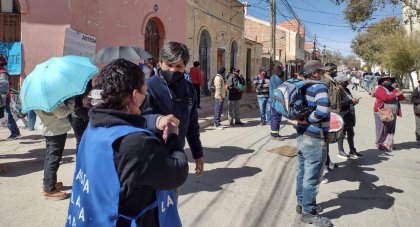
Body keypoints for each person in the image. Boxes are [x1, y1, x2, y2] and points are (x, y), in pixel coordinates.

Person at [66, 58, 188, 226]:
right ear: (135, 95)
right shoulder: (136, 143)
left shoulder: (94, 127)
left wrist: (156, 120)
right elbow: (177, 172)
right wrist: (172, 137)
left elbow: (125, 122)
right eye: (145, 92)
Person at [144, 42, 204, 176]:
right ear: (160, 63)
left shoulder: (189, 88)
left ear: (185, 66)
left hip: (176, 152)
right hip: (152, 155)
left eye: (178, 66)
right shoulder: (148, 86)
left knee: (172, 195)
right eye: (169, 65)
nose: (173, 70)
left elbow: (192, 124)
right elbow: (140, 119)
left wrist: (197, 154)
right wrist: (158, 120)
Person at [295, 60, 332, 226]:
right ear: (315, 73)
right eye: (321, 71)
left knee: (302, 172)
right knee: (312, 177)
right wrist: (309, 120)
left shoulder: (302, 86)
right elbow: (323, 109)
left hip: (302, 136)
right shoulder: (319, 87)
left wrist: (303, 121)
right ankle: (308, 212)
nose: (324, 74)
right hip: (315, 137)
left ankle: (302, 203)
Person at [35, 100, 74, 200]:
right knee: (53, 158)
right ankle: (49, 189)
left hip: (47, 127)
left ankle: (48, 182)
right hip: (55, 129)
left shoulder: (37, 96)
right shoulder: (52, 96)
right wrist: (71, 104)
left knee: (50, 157)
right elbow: (61, 113)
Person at [335, 73, 363, 159]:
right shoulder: (337, 91)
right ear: (340, 82)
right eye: (345, 81)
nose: (347, 82)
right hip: (342, 115)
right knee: (342, 134)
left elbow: (350, 100)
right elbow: (337, 104)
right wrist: (350, 101)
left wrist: (354, 101)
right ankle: (341, 150)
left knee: (351, 133)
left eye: (347, 81)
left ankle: (352, 150)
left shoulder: (346, 90)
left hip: (349, 114)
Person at [374, 75, 405, 151]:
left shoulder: (393, 89)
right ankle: (379, 144)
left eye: (389, 80)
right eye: (386, 80)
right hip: (382, 111)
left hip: (393, 112)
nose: (388, 81)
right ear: (382, 81)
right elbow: (385, 98)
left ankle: (389, 143)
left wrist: (400, 93)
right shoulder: (379, 89)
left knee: (391, 129)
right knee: (382, 128)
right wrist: (395, 94)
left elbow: (402, 98)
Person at [322, 63, 341, 171]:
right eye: (335, 70)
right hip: (328, 113)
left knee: (327, 141)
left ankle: (327, 162)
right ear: (330, 69)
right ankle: (325, 164)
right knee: (325, 141)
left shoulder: (331, 80)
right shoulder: (326, 80)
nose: (336, 71)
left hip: (333, 112)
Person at [0, 55, 21, 140]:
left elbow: (4, 88)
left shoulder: (2, 73)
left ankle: (15, 132)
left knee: (7, 114)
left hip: (3, 98)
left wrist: (2, 101)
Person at [69, 80, 92, 152]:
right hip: (78, 117)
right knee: (80, 140)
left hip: (85, 116)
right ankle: (80, 160)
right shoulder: (75, 88)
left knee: (86, 140)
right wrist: (86, 116)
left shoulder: (89, 84)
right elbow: (75, 105)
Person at [269, 65, 284, 140]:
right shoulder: (275, 78)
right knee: (275, 117)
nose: (282, 73)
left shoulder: (275, 78)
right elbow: (278, 91)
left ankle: (275, 133)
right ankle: (274, 135)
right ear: (278, 71)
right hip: (276, 101)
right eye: (281, 71)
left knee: (277, 117)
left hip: (275, 100)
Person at [412, 79, 420, 145]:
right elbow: (413, 99)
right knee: (418, 125)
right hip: (418, 111)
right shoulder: (416, 90)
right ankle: (418, 139)